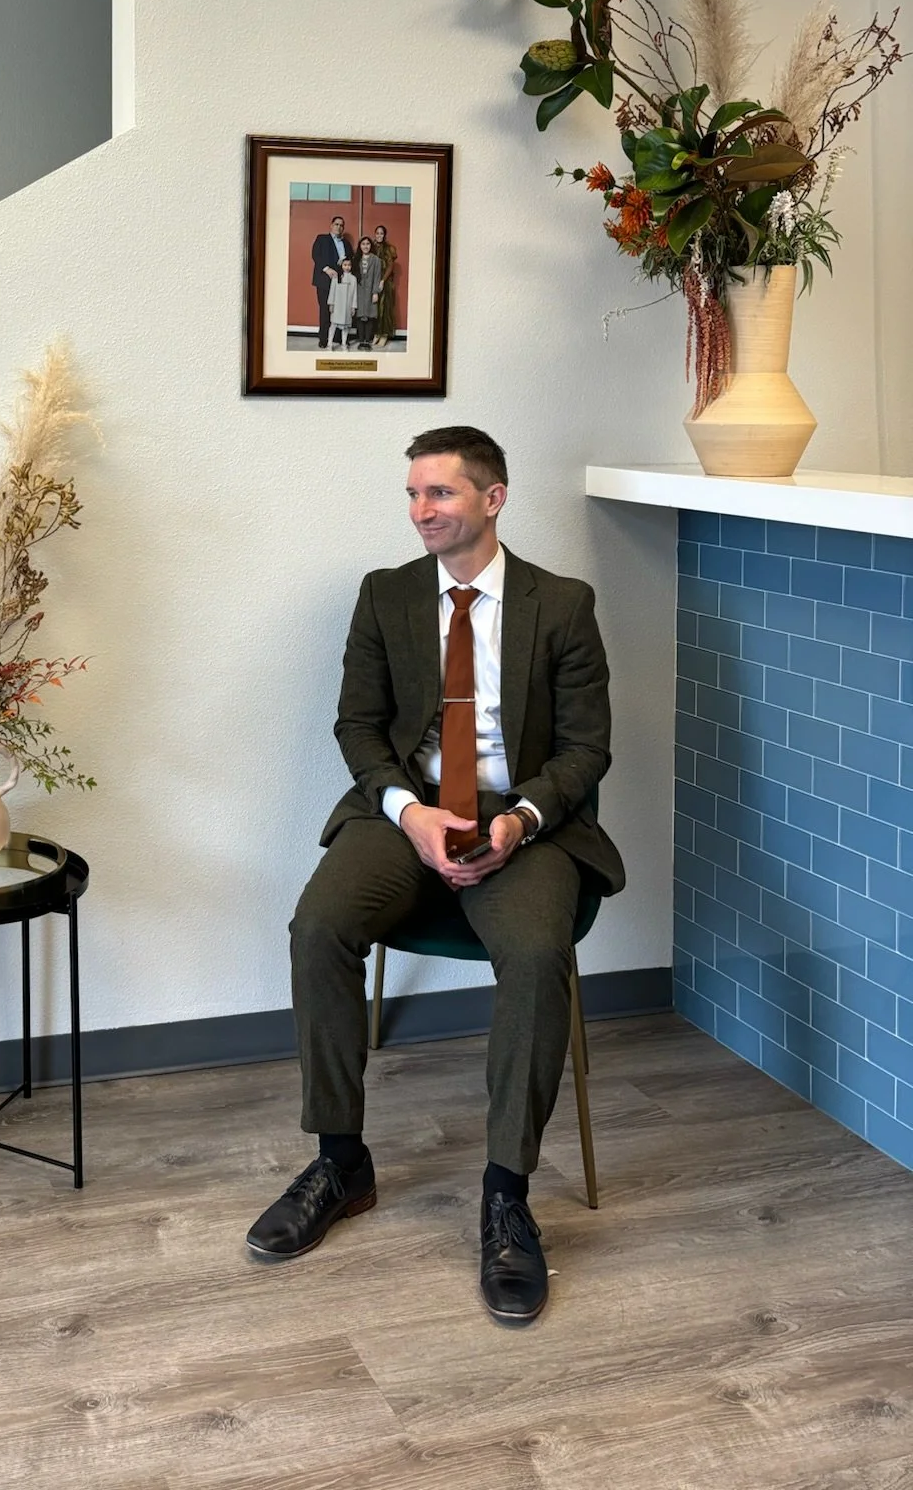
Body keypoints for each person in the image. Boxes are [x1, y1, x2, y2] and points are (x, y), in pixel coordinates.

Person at [245, 427, 622, 1323]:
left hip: (524, 822)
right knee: (319, 927)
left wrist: (519, 820)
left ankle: (506, 1196)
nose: (421, 512)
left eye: (440, 494)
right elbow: (358, 727)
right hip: (411, 813)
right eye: (413, 495)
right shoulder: (386, 597)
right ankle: (341, 1161)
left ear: (492, 500)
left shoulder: (561, 604)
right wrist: (408, 814)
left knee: (535, 959)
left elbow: (586, 750)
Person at [309, 214, 352, 348]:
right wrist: (327, 269)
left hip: (341, 281)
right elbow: (316, 255)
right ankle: (323, 339)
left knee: (339, 309)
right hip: (324, 280)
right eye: (336, 224)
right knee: (325, 309)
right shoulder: (321, 239)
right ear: (331, 225)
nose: (339, 227)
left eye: (341, 225)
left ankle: (338, 337)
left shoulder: (346, 243)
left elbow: (350, 260)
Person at [353, 234, 382, 350]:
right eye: (363, 244)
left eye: (368, 244)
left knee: (370, 315)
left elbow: (377, 277)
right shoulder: (356, 259)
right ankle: (361, 340)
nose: (366, 246)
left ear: (371, 246)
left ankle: (367, 340)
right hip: (359, 291)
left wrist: (375, 292)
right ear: (360, 246)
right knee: (360, 315)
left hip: (370, 290)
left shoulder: (376, 260)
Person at [372, 223, 398, 347]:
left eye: (381, 233)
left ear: (385, 235)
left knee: (385, 308)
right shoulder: (371, 246)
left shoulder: (389, 248)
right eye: (377, 233)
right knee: (375, 308)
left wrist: (382, 280)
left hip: (385, 281)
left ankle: (384, 334)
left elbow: (390, 266)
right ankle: (376, 333)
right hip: (374, 280)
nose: (379, 235)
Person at [328, 253, 358, 349]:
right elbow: (332, 290)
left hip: (347, 306)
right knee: (333, 325)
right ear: (341, 265)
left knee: (346, 326)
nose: (347, 267)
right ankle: (330, 343)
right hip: (337, 304)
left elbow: (355, 294)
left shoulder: (353, 279)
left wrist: (353, 306)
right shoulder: (336, 277)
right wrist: (331, 303)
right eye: (345, 265)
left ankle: (344, 343)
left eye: (349, 265)